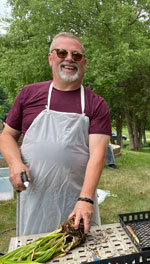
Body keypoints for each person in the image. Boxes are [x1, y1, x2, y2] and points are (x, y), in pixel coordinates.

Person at [0, 32, 111, 236]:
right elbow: (7, 135)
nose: (69, 58)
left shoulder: (96, 104)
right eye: (62, 53)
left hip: (77, 197)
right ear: (51, 58)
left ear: (84, 62)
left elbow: (98, 155)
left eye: (76, 55)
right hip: (34, 196)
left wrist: (86, 199)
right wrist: (15, 163)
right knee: (35, 257)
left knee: (81, 257)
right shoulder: (29, 94)